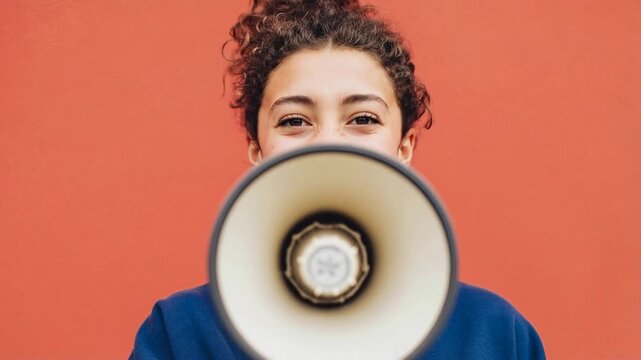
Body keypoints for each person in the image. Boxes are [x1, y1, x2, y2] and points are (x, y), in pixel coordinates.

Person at [130, 0, 545, 358]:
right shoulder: (179, 333)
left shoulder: (495, 334)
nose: (328, 143)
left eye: (363, 119)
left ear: (404, 147)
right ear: (257, 151)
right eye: (294, 121)